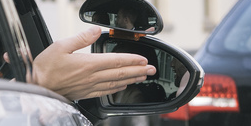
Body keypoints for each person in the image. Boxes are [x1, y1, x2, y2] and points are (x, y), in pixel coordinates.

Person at [28, 25, 157, 101]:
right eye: (111, 57)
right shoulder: (92, 88)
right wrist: (38, 81)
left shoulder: (133, 96)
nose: (110, 66)